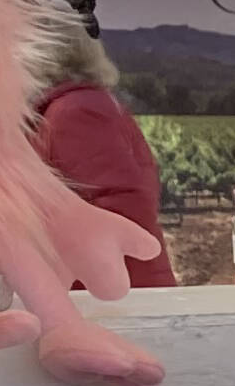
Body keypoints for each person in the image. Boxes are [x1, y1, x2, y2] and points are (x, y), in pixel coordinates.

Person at [28, 19, 175, 289]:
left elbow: (122, 206)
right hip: (109, 289)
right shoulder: (78, 104)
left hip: (108, 292)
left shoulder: (75, 111)